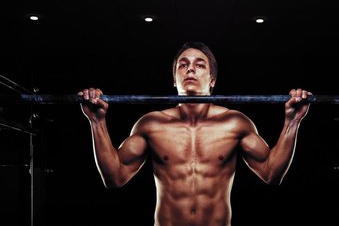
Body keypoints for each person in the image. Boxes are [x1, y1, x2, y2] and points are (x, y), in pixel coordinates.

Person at [78, 41, 312, 226]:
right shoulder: (151, 124)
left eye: (200, 64)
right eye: (183, 64)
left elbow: (272, 173)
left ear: (212, 80)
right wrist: (96, 122)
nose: (190, 68)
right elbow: (114, 177)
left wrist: (292, 122)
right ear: (174, 78)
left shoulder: (234, 123)